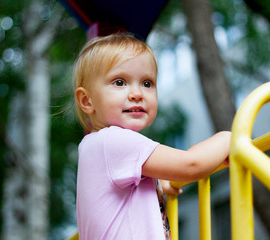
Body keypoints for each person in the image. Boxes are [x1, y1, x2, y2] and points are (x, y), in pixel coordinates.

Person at [73, 33, 231, 240]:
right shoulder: (113, 140)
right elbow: (191, 164)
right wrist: (229, 138)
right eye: (119, 82)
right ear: (86, 100)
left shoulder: (95, 145)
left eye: (147, 83)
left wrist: (159, 184)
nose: (137, 93)